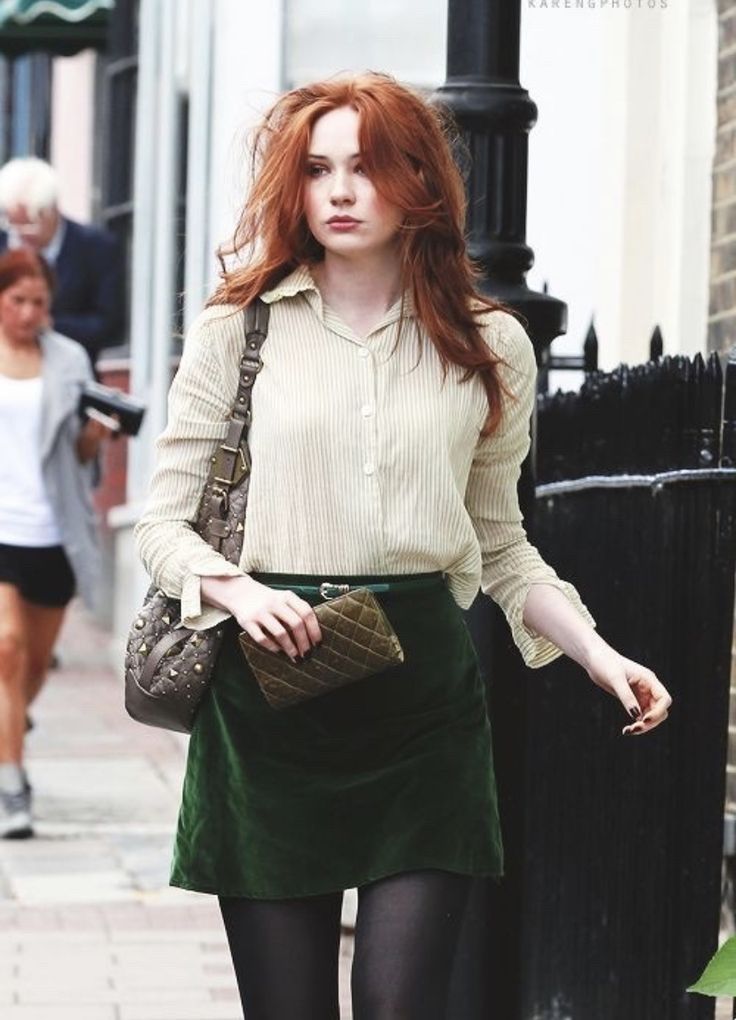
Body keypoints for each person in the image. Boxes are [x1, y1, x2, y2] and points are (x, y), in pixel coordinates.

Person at [134, 73, 672, 1020]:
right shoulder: (239, 328)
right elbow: (162, 525)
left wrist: (598, 653)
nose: (340, 192)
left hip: (423, 707)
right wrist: (238, 591)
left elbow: (501, 544)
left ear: (415, 180)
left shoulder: (490, 343)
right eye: (317, 170)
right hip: (272, 697)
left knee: (401, 1004)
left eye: (366, 168)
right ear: (292, 189)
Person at [0, 249, 114, 839]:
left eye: (39, 302)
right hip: (2, 529)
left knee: (33, 667)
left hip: (53, 533)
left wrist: (97, 435)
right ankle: (12, 787)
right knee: (7, 649)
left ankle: (10, 728)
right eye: (17, 300)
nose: (28, 313)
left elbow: (81, 457)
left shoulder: (69, 360)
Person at [0, 157, 124, 371]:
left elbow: (110, 325)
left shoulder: (96, 247)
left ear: (52, 211)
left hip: (68, 375)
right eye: (13, 224)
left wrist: (51, 325)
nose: (21, 234)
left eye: (29, 225)